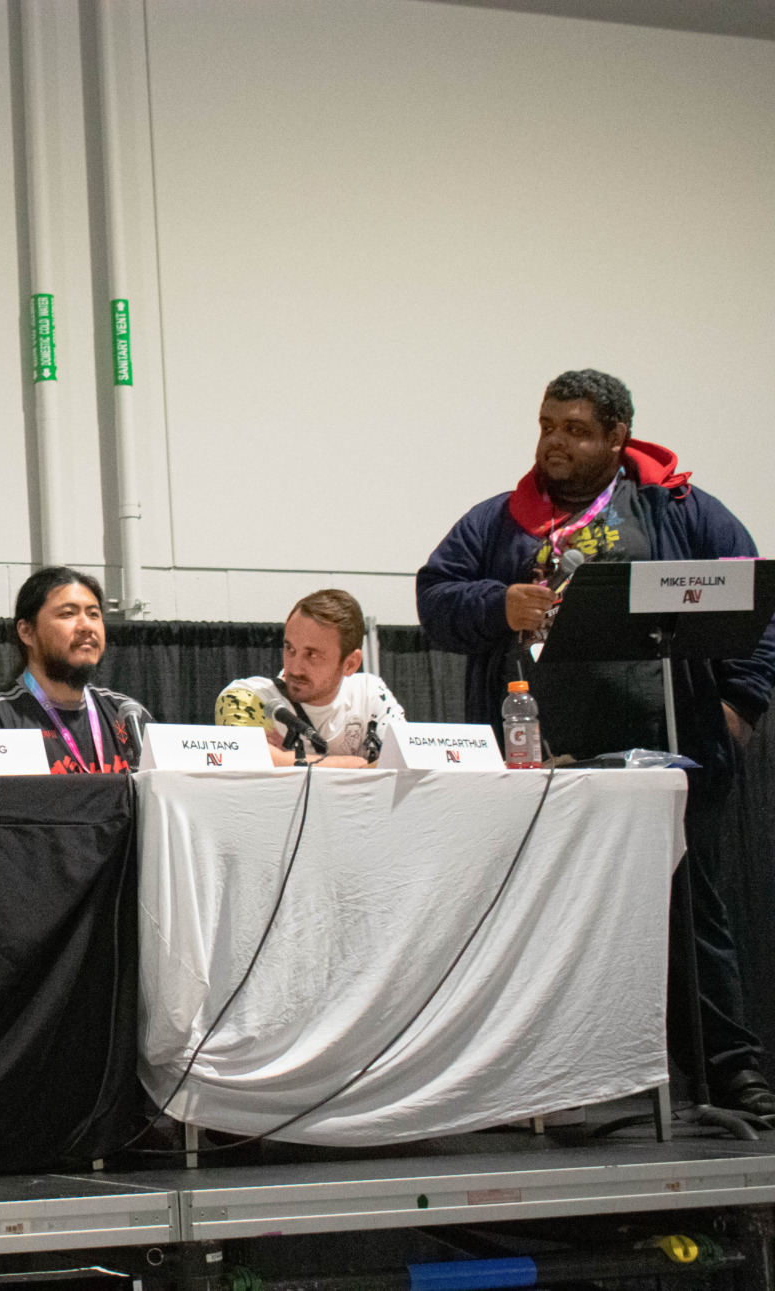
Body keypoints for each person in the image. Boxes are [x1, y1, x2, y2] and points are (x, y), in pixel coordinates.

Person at [418, 368, 775, 1119]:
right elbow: (434, 596)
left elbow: (754, 598)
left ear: (618, 437)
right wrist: (497, 602)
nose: (555, 441)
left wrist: (740, 704)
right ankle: (553, 1083)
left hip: (670, 759)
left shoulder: (682, 510)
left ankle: (727, 1070)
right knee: (546, 920)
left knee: (691, 917)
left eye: (575, 429)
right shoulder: (498, 522)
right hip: (537, 765)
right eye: (547, 424)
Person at [0, 567, 150, 773]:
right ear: (27, 632)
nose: (86, 626)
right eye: (68, 614)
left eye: (94, 614)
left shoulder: (128, 714)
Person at [214, 589, 403, 767]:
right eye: (290, 649)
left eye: (312, 655)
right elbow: (245, 759)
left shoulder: (370, 695)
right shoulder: (247, 697)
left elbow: (407, 763)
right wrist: (355, 764)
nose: (294, 668)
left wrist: (284, 760)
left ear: (350, 664)